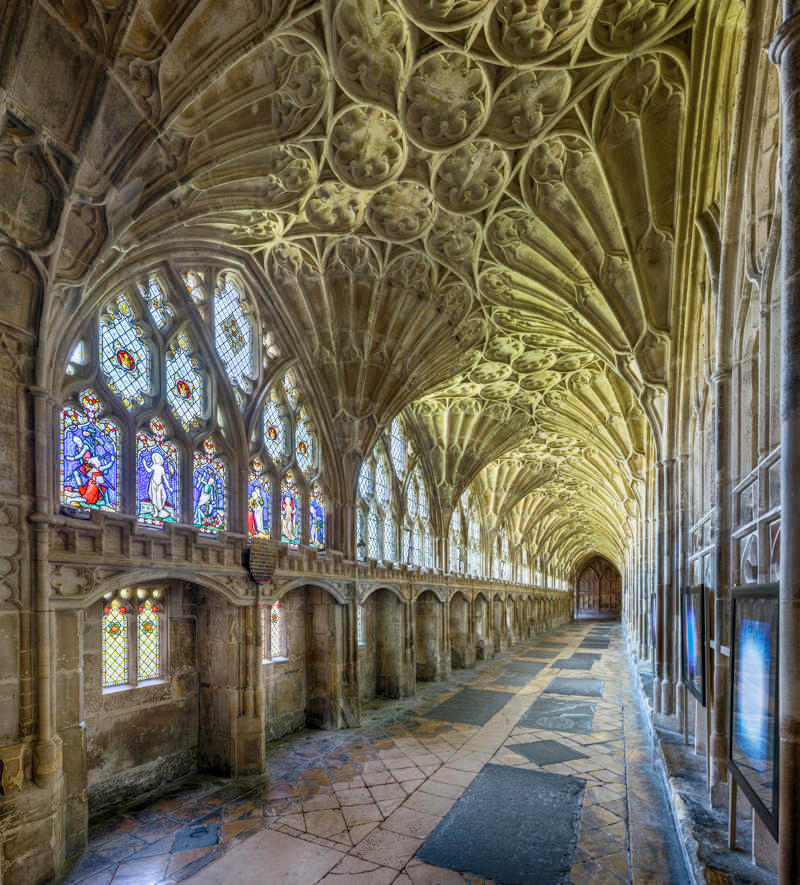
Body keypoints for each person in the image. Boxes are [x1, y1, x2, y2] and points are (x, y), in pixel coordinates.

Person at [144, 451, 172, 519]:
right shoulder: (154, 466)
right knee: (154, 498)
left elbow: (164, 478)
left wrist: (169, 487)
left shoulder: (162, 468)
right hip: (153, 483)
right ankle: (156, 512)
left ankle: (160, 509)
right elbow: (149, 470)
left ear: (160, 459)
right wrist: (144, 464)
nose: (156, 459)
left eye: (157, 458)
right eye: (155, 458)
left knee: (164, 496)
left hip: (160, 484)